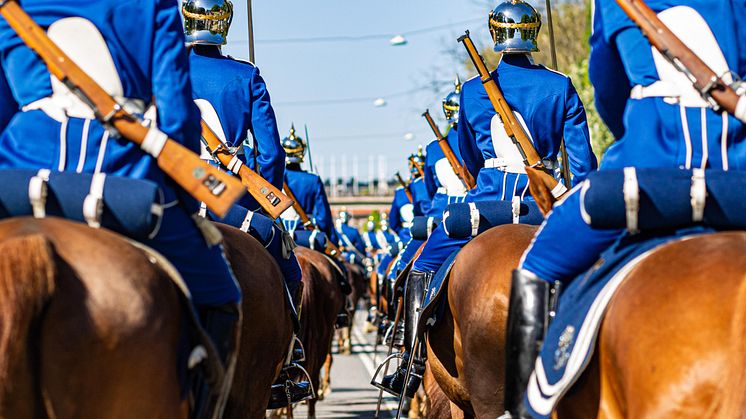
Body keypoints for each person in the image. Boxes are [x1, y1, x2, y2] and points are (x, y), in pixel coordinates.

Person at [505, 1, 746, 417]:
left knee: (537, 265)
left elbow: (610, 93)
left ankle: (520, 410)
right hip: (740, 180)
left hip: (646, 177)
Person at [0, 0, 241, 416]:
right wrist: (183, 202)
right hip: (121, 181)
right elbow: (176, 116)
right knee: (222, 296)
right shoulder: (151, 3)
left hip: (15, 181)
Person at [377, 0, 597, 398]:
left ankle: (408, 365)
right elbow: (583, 167)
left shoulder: (473, 92)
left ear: (495, 35)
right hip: (541, 208)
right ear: (535, 33)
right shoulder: (559, 85)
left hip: (486, 207)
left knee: (423, 264)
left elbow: (470, 159)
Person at [183, 0, 303, 306]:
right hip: (226, 196)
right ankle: (294, 346)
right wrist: (264, 201)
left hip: (174, 188)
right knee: (288, 264)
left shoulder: (163, 71)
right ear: (224, 25)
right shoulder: (246, 75)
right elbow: (271, 153)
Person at [281, 125, 340, 244]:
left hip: (279, 235)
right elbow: (323, 218)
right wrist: (331, 239)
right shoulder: (313, 180)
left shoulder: (273, 177)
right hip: (305, 236)